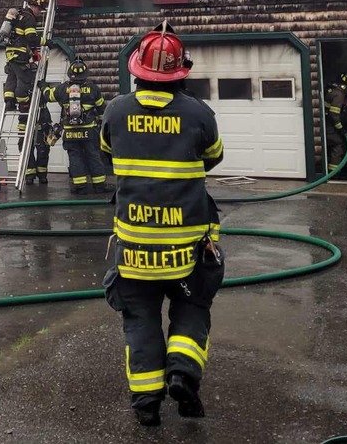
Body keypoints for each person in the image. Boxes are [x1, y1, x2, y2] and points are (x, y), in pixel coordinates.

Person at [99, 21, 225, 427]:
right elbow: (213, 157)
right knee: (192, 306)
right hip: (187, 248)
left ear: (136, 69)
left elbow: (107, 154)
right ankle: (182, 375)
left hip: (134, 247)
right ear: (180, 72)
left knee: (140, 319)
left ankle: (146, 404)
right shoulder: (199, 113)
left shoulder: (116, 110)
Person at [42, 57, 108, 194]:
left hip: (70, 131)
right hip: (89, 130)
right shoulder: (93, 89)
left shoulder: (62, 89)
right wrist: (102, 126)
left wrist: (43, 86)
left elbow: (48, 96)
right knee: (93, 156)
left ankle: (81, 187)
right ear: (85, 74)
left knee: (75, 157)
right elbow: (102, 108)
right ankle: (99, 186)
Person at [0, 0, 48, 136]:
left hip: (10, 53)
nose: (40, 12)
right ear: (34, 6)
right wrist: (46, 41)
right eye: (39, 9)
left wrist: (33, 52)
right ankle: (23, 104)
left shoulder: (19, 15)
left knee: (12, 77)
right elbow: (31, 38)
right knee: (24, 79)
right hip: (20, 54)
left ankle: (9, 100)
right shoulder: (29, 18)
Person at [324, 71, 347, 171]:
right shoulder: (339, 95)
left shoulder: (333, 90)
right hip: (328, 123)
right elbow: (334, 114)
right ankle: (334, 172)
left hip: (326, 122)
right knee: (338, 143)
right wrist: (340, 128)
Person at [24, 103, 58, 185]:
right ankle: (30, 176)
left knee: (43, 151)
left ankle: (42, 175)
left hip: (43, 119)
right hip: (26, 115)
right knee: (27, 151)